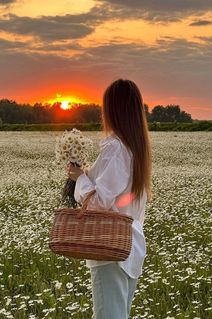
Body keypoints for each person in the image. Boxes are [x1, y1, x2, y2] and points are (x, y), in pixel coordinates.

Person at [66, 78, 152, 319]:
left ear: (112, 110)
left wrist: (79, 179)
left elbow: (98, 203)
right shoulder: (136, 148)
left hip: (109, 247)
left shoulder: (115, 147)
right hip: (130, 245)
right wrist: (85, 173)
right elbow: (123, 197)